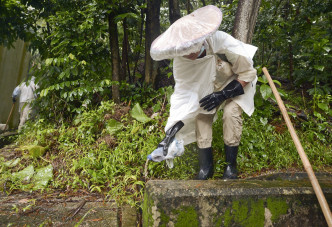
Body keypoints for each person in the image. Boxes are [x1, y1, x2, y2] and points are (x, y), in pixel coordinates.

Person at [149, 5, 258, 180]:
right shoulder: (181, 62)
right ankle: (206, 168)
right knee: (202, 116)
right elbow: (183, 94)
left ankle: (231, 166)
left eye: (191, 50)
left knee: (230, 114)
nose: (188, 55)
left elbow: (247, 73)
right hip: (210, 88)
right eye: (184, 53)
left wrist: (223, 95)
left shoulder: (220, 41)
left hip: (237, 82)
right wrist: (169, 133)